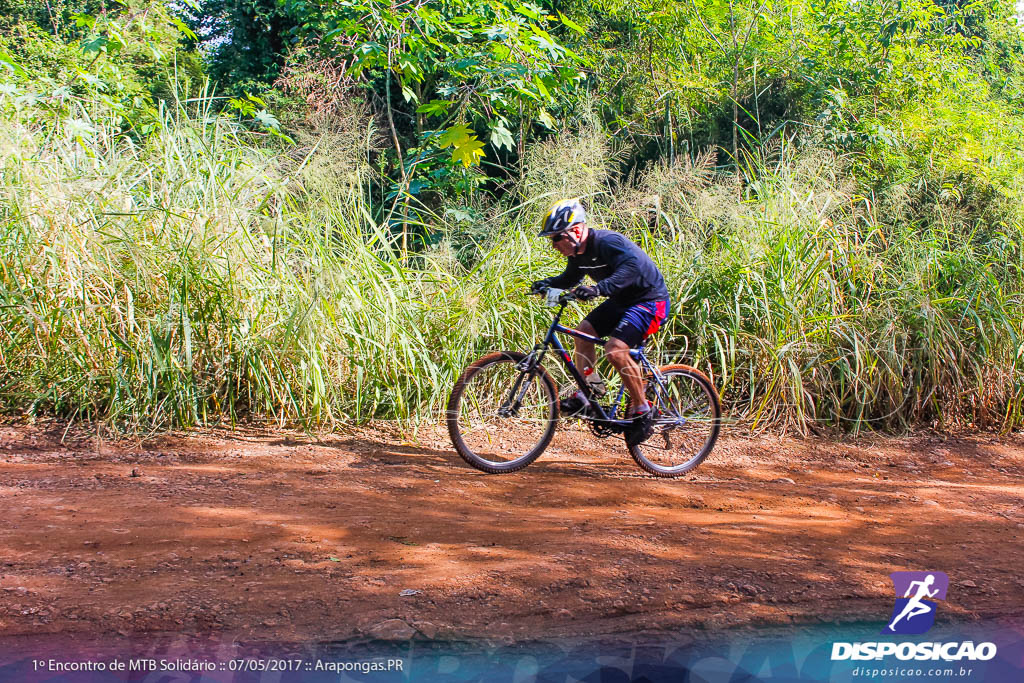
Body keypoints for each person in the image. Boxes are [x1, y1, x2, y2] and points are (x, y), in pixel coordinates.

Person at [531, 198, 671, 447]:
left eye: (555, 238)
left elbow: (632, 268)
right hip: (622, 301)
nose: (553, 245)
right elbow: (569, 278)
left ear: (575, 231)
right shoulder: (578, 254)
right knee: (582, 332)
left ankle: (643, 408)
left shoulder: (608, 242)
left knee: (615, 350)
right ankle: (591, 390)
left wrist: (598, 289)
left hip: (649, 301)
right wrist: (547, 283)